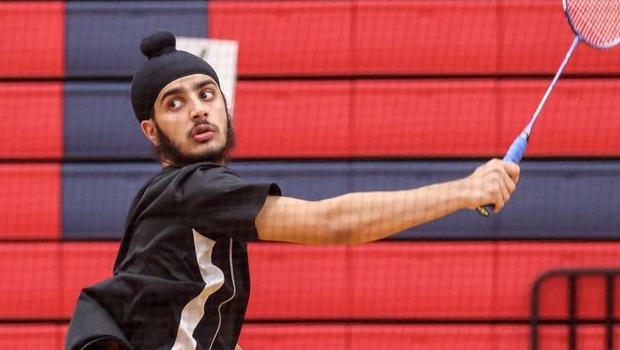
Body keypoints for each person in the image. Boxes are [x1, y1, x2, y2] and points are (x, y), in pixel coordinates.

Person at [65, 30, 520, 350]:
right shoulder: (195, 188)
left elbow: (175, 318)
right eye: (175, 103)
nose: (198, 110)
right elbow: (332, 222)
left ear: (225, 104)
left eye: (207, 94)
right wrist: (465, 190)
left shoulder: (164, 201)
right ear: (151, 130)